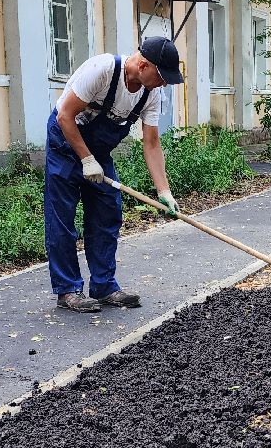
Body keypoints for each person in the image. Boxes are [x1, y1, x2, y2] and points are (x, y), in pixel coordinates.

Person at [45, 37, 184, 312]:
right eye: (162, 76)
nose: (164, 83)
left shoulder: (150, 93)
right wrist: (85, 159)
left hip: (98, 152)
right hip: (64, 142)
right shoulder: (102, 70)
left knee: (108, 212)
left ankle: (104, 286)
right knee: (62, 218)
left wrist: (164, 191)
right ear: (143, 65)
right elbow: (65, 116)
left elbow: (152, 143)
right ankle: (68, 289)